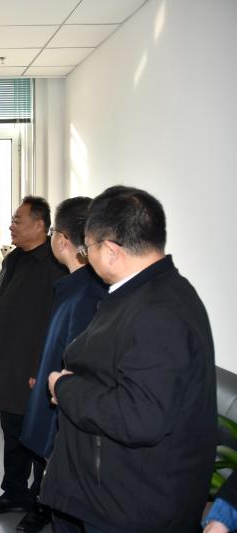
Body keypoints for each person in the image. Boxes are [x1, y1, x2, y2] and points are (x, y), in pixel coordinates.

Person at [41, 186, 217, 533]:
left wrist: (64, 387)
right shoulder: (143, 292)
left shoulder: (159, 311)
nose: (86, 257)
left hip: (128, 507)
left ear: (110, 251)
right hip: (104, 491)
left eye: (87, 248)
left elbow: (139, 417)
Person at [17, 197, 107, 533]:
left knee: (67, 512)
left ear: (62, 240)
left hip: (66, 421)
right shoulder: (73, 287)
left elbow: (78, 366)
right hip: (53, 396)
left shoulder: (87, 295)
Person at [0, 196, 67, 530]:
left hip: (37, 369)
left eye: (18, 220)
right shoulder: (13, 259)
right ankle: (14, 491)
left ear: (39, 225)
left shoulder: (55, 265)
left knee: (40, 438)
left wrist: (42, 369)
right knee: (13, 433)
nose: (11, 225)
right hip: (8, 363)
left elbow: (58, 323)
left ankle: (42, 503)